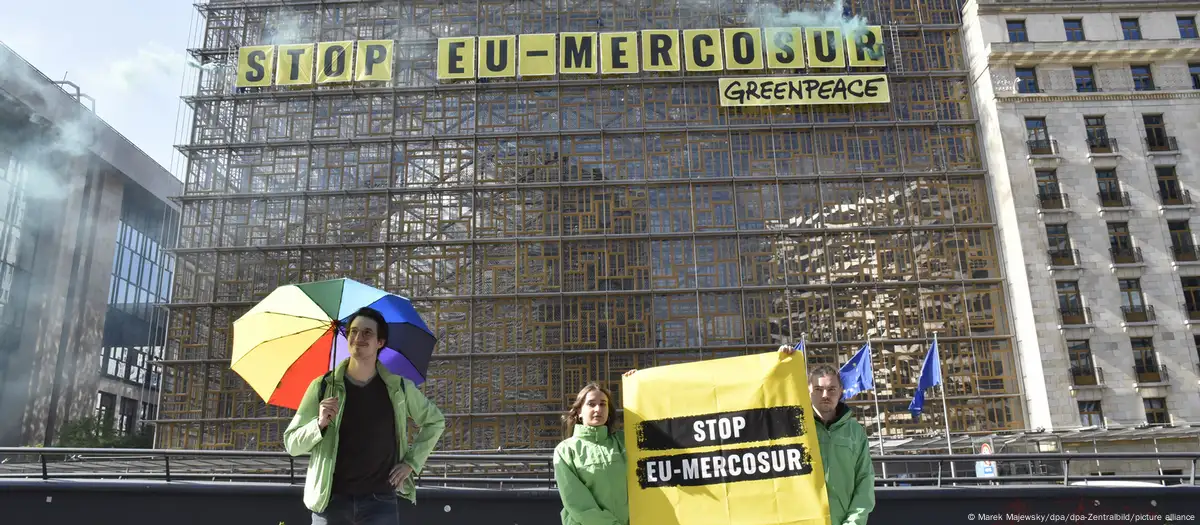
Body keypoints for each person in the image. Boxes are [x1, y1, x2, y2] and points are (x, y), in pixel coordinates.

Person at [284, 307, 446, 525]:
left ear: (380, 342)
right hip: (331, 503)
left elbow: (435, 422)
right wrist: (319, 423)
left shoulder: (398, 388)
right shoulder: (322, 387)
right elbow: (292, 444)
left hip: (380, 503)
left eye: (367, 333)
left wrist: (411, 463)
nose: (358, 338)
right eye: (353, 331)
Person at [779, 345, 876, 525]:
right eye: (818, 389)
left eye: (831, 389)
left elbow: (865, 481)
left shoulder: (855, 431)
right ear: (807, 392)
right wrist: (781, 363)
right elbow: (772, 399)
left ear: (840, 391)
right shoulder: (791, 426)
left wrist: (853, 523)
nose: (825, 395)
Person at [553, 379, 632, 525]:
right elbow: (577, 503)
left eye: (603, 404)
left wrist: (636, 381)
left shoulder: (623, 442)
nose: (598, 409)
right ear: (579, 411)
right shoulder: (565, 451)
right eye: (591, 404)